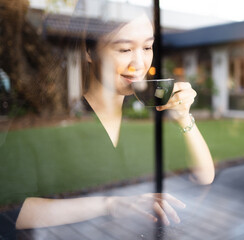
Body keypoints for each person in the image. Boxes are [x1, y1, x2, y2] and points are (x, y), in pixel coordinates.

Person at [13, 11, 215, 231]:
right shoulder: (62, 121)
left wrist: (183, 116)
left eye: (147, 47)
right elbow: (17, 211)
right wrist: (110, 204)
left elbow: (203, 176)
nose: (139, 63)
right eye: (125, 49)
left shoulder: (144, 115)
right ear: (89, 51)